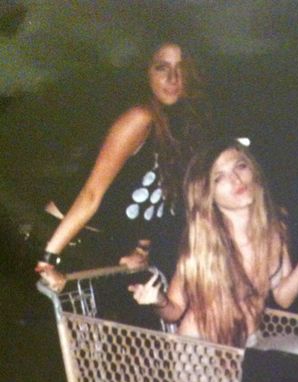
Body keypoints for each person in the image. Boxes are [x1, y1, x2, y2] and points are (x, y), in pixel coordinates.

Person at [35, 41, 211, 292]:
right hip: (59, 238)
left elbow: (156, 198)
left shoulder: (176, 128)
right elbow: (91, 194)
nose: (172, 78)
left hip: (96, 242)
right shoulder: (139, 118)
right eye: (162, 68)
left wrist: (141, 249)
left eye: (181, 69)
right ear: (146, 73)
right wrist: (48, 260)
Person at [129, 139, 298, 351]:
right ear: (208, 194)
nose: (236, 179)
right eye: (219, 177)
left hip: (250, 343)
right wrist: (158, 300)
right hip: (201, 349)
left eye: (240, 166)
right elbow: (175, 309)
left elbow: (284, 297)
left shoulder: (274, 230)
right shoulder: (203, 244)